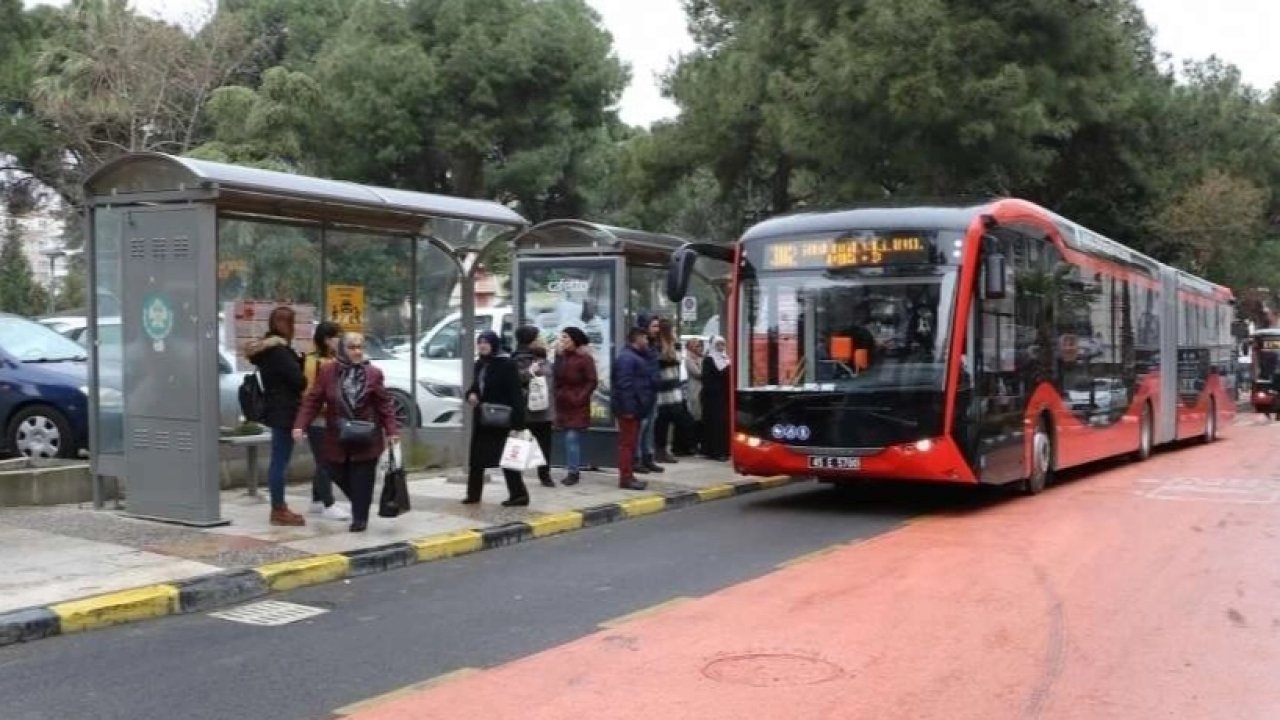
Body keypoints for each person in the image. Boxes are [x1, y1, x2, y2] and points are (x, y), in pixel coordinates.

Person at [292, 333, 399, 532]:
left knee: (363, 477)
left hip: (367, 435)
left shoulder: (373, 373)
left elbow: (384, 405)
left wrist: (392, 430)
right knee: (332, 469)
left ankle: (360, 518)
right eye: (352, 347)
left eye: (360, 347)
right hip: (337, 435)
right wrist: (300, 425)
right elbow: (313, 400)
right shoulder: (327, 372)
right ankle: (361, 502)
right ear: (342, 349)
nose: (357, 351)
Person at [246, 306, 306, 527]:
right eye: (293, 323)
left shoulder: (266, 350)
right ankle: (278, 509)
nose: (295, 328)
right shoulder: (279, 352)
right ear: (286, 325)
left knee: (278, 459)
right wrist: (299, 363)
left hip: (275, 408)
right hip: (285, 410)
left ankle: (278, 506)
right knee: (279, 461)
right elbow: (299, 381)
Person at [464, 330, 529, 506]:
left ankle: (519, 495)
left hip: (501, 420)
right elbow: (475, 387)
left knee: (507, 458)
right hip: (483, 419)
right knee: (476, 459)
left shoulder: (506, 364)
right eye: (480, 342)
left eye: (486, 342)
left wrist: (518, 424)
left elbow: (516, 394)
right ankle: (473, 495)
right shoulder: (479, 365)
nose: (482, 345)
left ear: (494, 344)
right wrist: (470, 394)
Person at [302, 321, 350, 521]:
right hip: (319, 419)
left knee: (324, 459)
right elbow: (310, 392)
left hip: (332, 418)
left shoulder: (334, 359)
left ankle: (316, 500)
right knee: (326, 461)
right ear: (325, 339)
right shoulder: (314, 361)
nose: (339, 341)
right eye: (336, 337)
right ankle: (328, 503)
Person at [613, 327, 656, 490]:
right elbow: (624, 386)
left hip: (635, 408)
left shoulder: (635, 357)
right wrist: (629, 409)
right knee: (627, 444)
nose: (647, 341)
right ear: (636, 338)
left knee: (630, 443)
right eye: (644, 338)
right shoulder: (627, 359)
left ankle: (629, 475)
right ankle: (626, 478)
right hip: (629, 410)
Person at [553, 327, 597, 486]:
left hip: (577, 403)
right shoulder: (562, 356)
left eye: (566, 338)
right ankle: (573, 468)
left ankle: (573, 471)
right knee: (568, 436)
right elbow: (556, 377)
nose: (562, 341)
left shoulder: (584, 358)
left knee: (572, 437)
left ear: (574, 340)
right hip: (563, 402)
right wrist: (557, 356)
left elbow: (592, 380)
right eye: (561, 337)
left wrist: (580, 397)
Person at [513, 325, 554, 488]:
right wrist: (529, 372)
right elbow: (516, 380)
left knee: (545, 442)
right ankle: (516, 477)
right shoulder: (517, 359)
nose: (540, 340)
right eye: (537, 337)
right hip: (525, 408)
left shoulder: (541, 356)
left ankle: (545, 474)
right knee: (522, 442)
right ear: (530, 341)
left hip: (542, 408)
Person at [654, 319, 691, 462]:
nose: (675, 333)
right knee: (661, 422)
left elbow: (678, 358)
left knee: (677, 419)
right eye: (673, 330)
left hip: (674, 388)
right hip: (662, 389)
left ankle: (667, 449)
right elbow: (664, 360)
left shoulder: (674, 345)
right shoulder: (658, 346)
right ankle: (660, 450)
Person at [632, 313, 665, 474]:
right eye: (654, 326)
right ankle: (636, 458)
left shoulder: (653, 345)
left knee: (650, 425)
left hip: (652, 391)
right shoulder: (641, 347)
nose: (657, 330)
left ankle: (648, 456)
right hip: (643, 392)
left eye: (658, 326)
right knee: (642, 426)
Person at [701, 335, 731, 461]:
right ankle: (714, 451)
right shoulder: (709, 359)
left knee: (722, 423)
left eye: (722, 344)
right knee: (714, 423)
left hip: (723, 396)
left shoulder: (725, 358)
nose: (720, 347)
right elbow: (708, 379)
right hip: (712, 397)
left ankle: (724, 449)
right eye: (718, 344)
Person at [683, 337, 706, 454]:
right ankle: (694, 444)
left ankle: (701, 443)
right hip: (695, 391)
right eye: (697, 346)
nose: (699, 348)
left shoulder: (701, 358)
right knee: (696, 417)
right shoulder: (689, 360)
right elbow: (698, 373)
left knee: (702, 418)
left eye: (700, 346)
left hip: (703, 390)